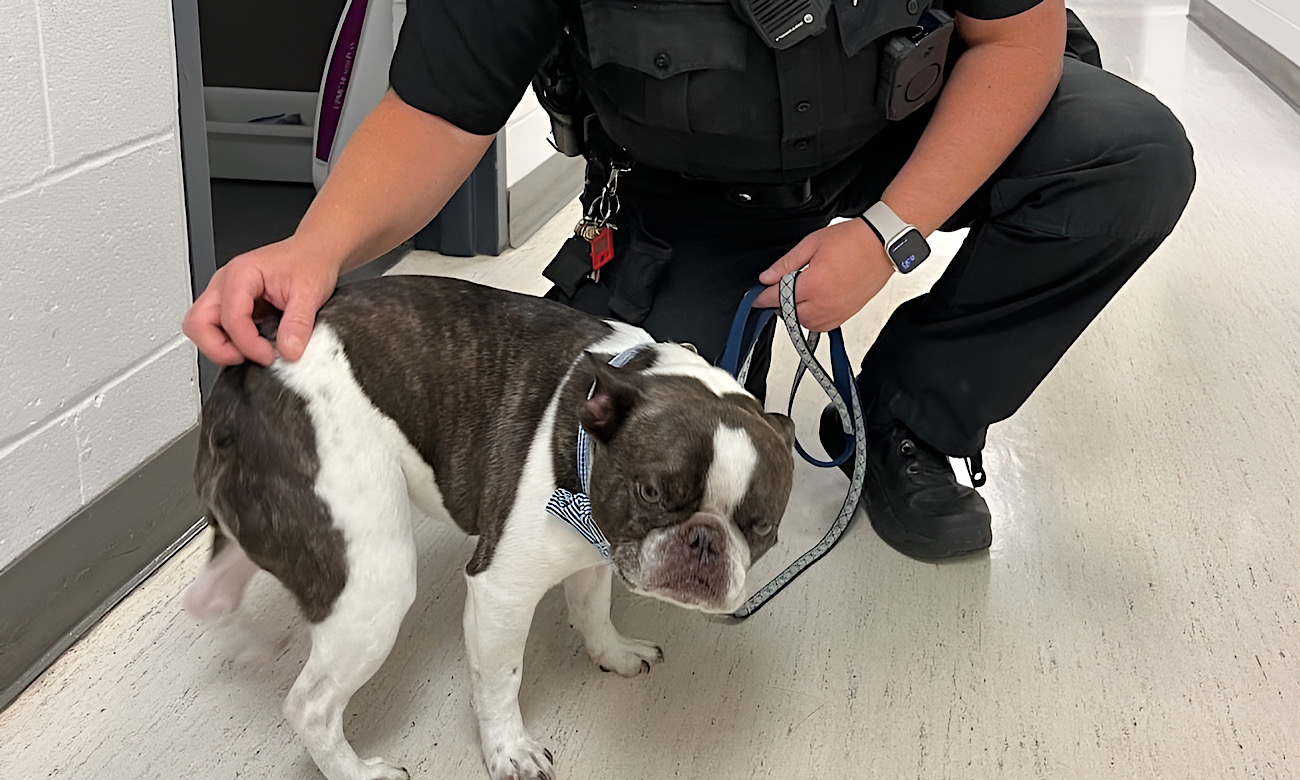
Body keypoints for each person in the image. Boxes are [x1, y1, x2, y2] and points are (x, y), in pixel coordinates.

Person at [183, 0, 1195, 561]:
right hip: (688, 199)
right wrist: (313, 251)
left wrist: (886, 234)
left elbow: (1016, 36)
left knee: (1127, 155)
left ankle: (913, 420)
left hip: (898, 142)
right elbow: (437, 114)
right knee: (585, 488)